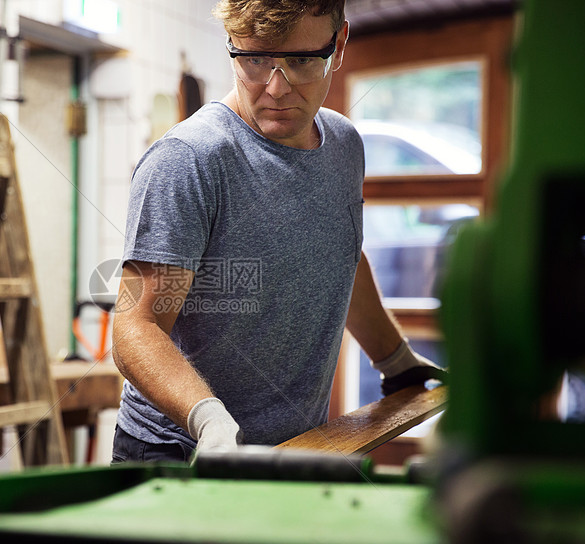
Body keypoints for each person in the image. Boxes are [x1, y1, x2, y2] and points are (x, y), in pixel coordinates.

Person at [110, 0, 444, 463]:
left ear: (339, 43)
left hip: (292, 447)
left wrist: (396, 361)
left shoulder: (344, 146)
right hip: (177, 451)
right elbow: (136, 327)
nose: (277, 87)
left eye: (302, 61)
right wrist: (208, 420)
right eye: (255, 60)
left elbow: (341, 256)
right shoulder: (189, 159)